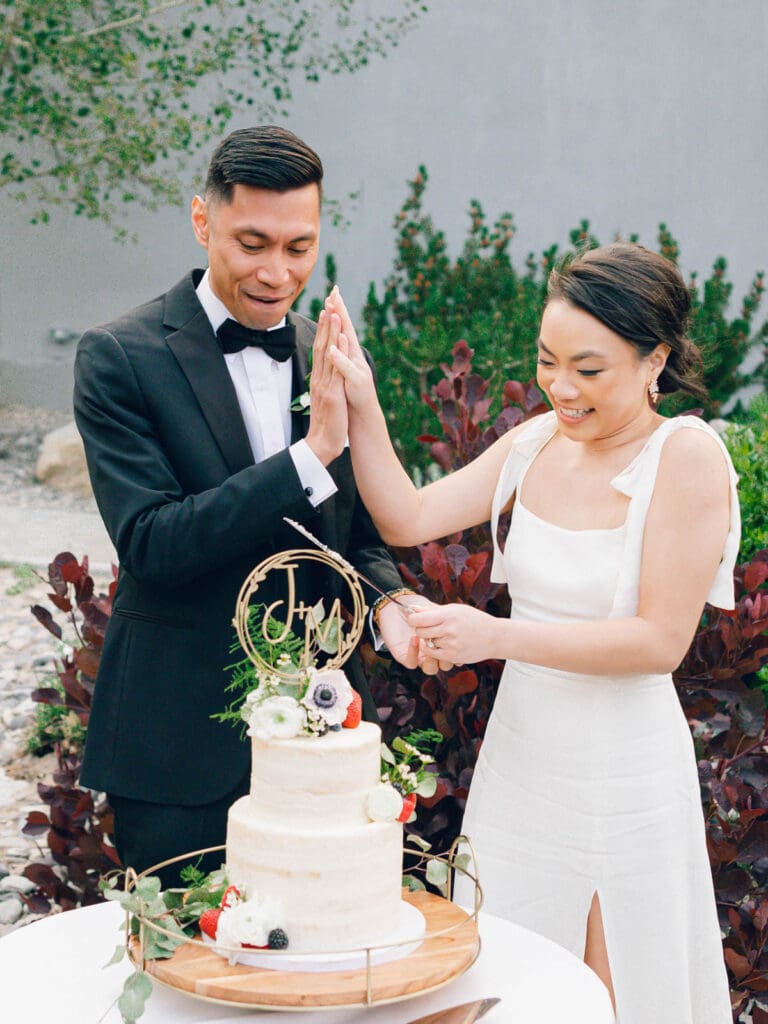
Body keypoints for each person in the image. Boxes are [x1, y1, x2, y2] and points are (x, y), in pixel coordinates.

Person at [318, 243, 739, 1023]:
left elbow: (658, 643)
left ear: (657, 361)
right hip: (523, 764)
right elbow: (406, 517)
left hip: (624, 777)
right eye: (548, 362)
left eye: (589, 369)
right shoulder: (536, 441)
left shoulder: (683, 457)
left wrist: (494, 637)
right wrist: (363, 397)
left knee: (619, 994)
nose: (561, 387)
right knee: (502, 982)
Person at [74, 126, 425, 886]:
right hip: (176, 743)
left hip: (317, 740)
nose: (277, 272)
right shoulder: (119, 356)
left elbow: (354, 535)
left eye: (299, 248)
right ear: (203, 222)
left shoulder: (322, 351)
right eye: (252, 243)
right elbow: (152, 543)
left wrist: (391, 603)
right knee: (189, 988)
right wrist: (308, 455)